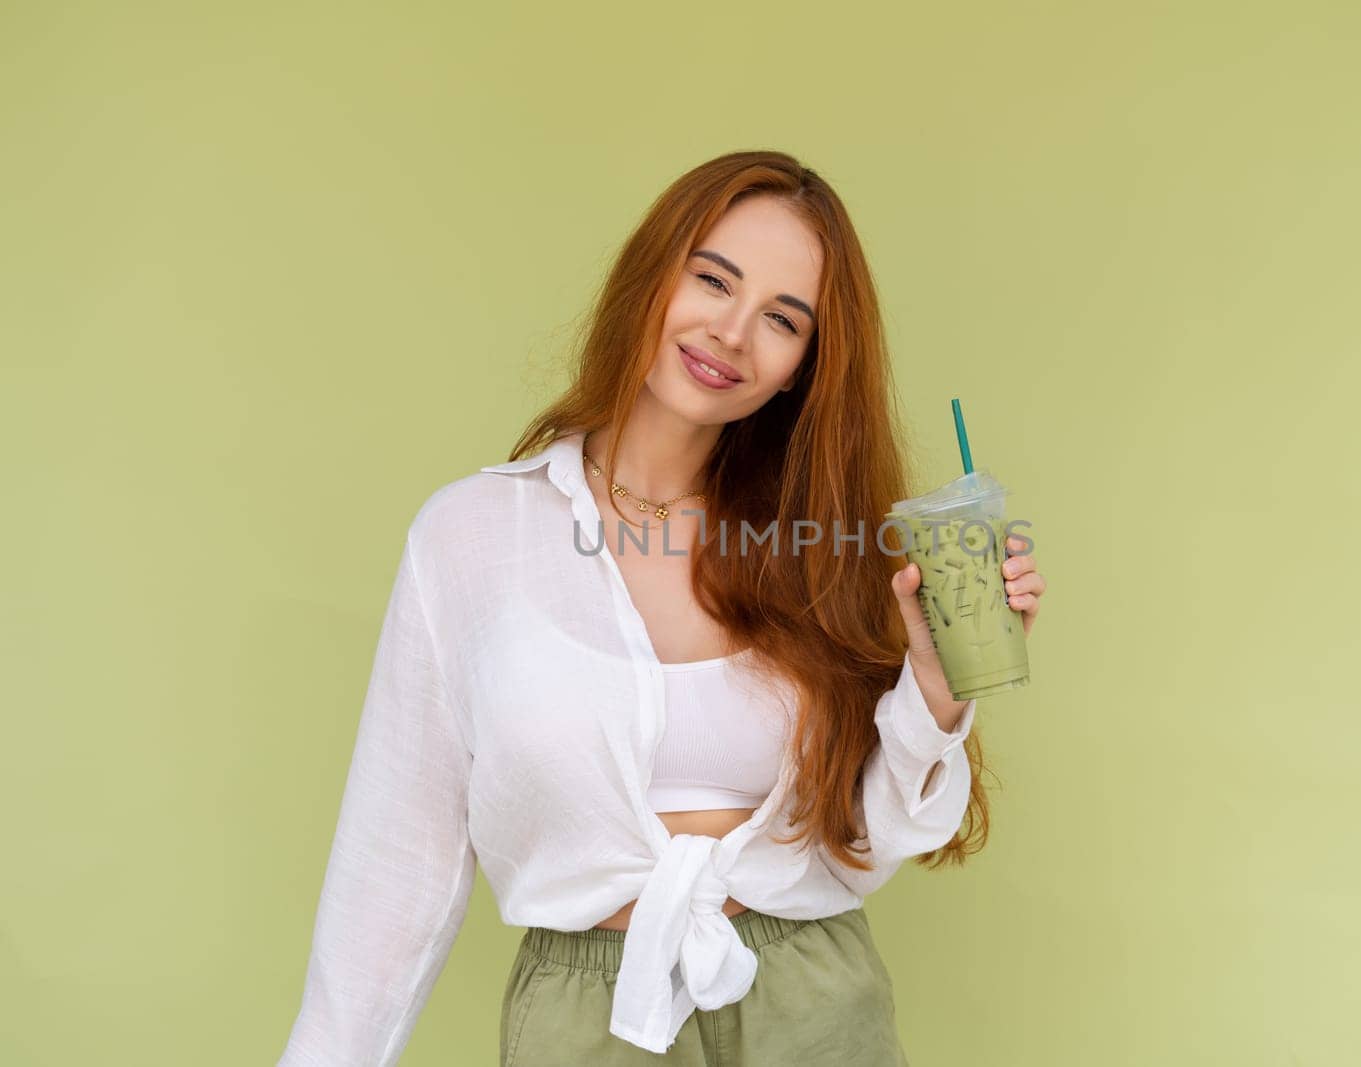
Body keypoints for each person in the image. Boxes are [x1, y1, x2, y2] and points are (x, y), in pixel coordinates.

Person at [278, 150, 1047, 1066]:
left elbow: (867, 838)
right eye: (712, 278)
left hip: (813, 1003)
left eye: (782, 319)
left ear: (805, 366)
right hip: (589, 1018)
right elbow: (394, 869)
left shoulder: (821, 550)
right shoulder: (471, 537)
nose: (730, 332)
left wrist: (934, 680)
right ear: (655, 273)